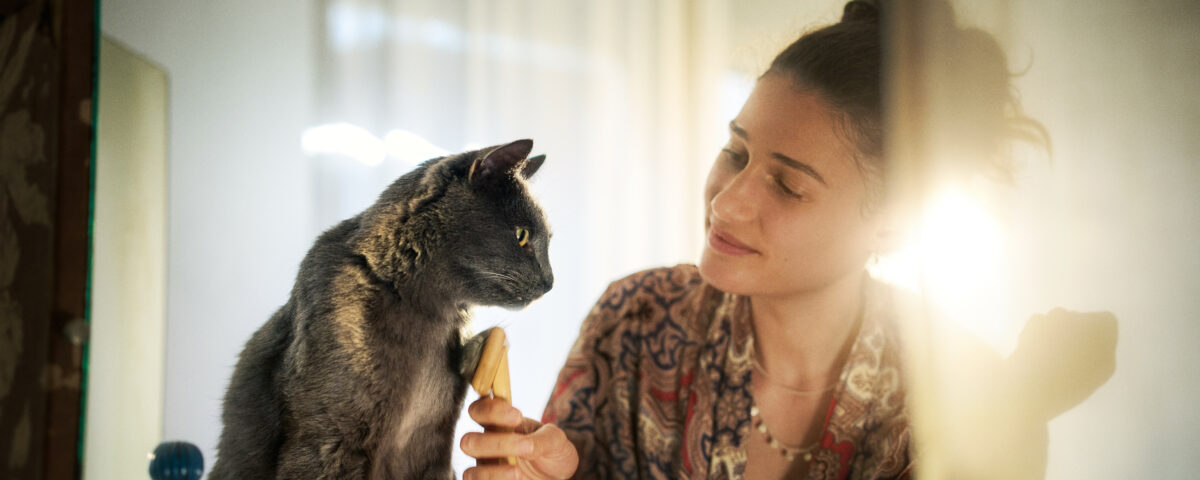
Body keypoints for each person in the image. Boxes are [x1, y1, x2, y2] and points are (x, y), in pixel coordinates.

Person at [459, 1, 1114, 478]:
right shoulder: (635, 316)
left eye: (789, 187)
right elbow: (566, 459)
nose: (729, 199)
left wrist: (1020, 407)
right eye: (735, 151)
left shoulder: (961, 392)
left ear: (891, 222)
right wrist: (548, 472)